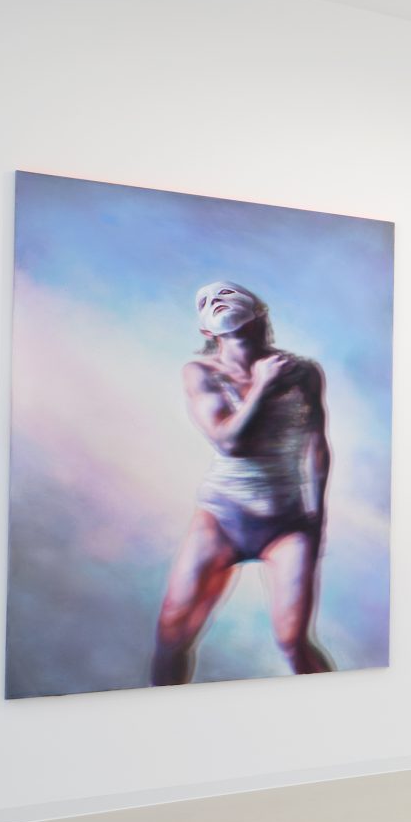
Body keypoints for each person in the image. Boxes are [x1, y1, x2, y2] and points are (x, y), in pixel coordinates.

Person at [152, 282, 333, 683]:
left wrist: (316, 521)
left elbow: (318, 446)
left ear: (260, 312)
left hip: (286, 524)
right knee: (172, 633)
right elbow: (229, 442)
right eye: (205, 302)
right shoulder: (201, 373)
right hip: (222, 518)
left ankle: (346, 709)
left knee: (293, 642)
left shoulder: (304, 373)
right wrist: (263, 386)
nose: (215, 300)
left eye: (226, 294)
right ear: (207, 331)